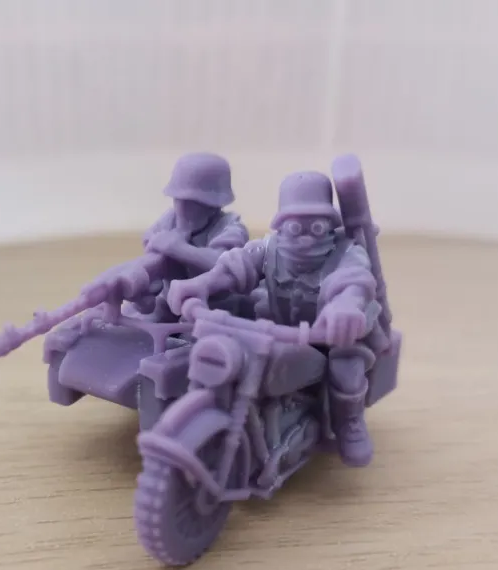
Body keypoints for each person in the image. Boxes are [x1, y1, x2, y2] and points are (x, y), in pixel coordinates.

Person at [166, 170, 382, 467]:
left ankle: (349, 423)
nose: (305, 235)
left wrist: (345, 307)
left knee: (346, 370)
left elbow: (353, 280)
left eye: (317, 226)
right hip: (278, 332)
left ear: (330, 224)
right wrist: (202, 284)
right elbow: (235, 265)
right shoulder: (268, 249)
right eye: (295, 225)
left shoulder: (347, 253)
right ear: (281, 224)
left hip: (334, 337)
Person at [130, 152, 249, 320]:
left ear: (213, 205)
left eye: (191, 203)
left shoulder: (230, 226)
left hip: (214, 305)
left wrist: (179, 249)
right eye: (177, 199)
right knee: (138, 320)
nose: (181, 207)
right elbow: (151, 240)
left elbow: (226, 264)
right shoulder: (170, 218)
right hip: (168, 299)